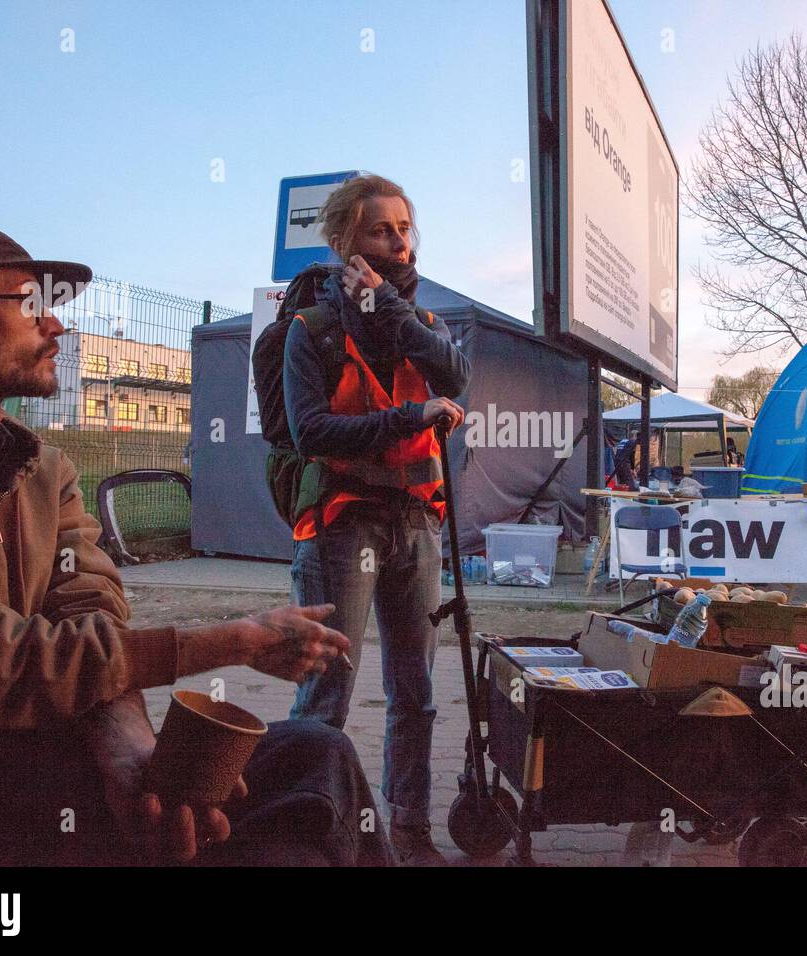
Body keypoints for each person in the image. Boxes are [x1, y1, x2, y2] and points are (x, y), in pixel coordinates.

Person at [0, 218, 392, 866]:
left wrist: (131, 750)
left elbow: (90, 616)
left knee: (318, 758)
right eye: (31, 304)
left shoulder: (41, 475)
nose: (56, 326)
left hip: (60, 766)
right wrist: (233, 640)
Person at [283, 175, 470, 864]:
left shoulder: (425, 325)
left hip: (418, 523)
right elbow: (311, 432)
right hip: (344, 526)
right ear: (344, 242)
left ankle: (411, 827)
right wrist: (406, 418)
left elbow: (455, 376)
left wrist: (387, 306)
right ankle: (308, 834)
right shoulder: (312, 330)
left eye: (404, 229)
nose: (398, 242)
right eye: (379, 231)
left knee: (416, 694)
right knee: (326, 693)